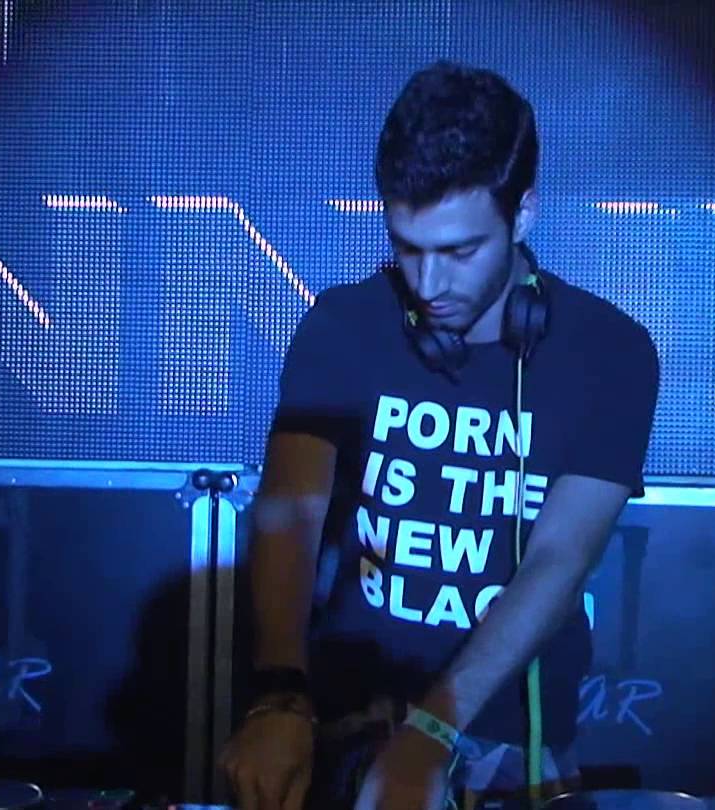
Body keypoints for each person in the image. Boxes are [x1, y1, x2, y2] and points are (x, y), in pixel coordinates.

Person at [218, 60, 660, 810]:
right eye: (407, 247)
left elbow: (559, 558)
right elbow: (291, 510)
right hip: (347, 720)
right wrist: (279, 695)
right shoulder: (342, 326)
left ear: (523, 214)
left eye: (459, 252)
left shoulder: (609, 353)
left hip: (509, 742)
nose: (428, 284)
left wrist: (432, 731)